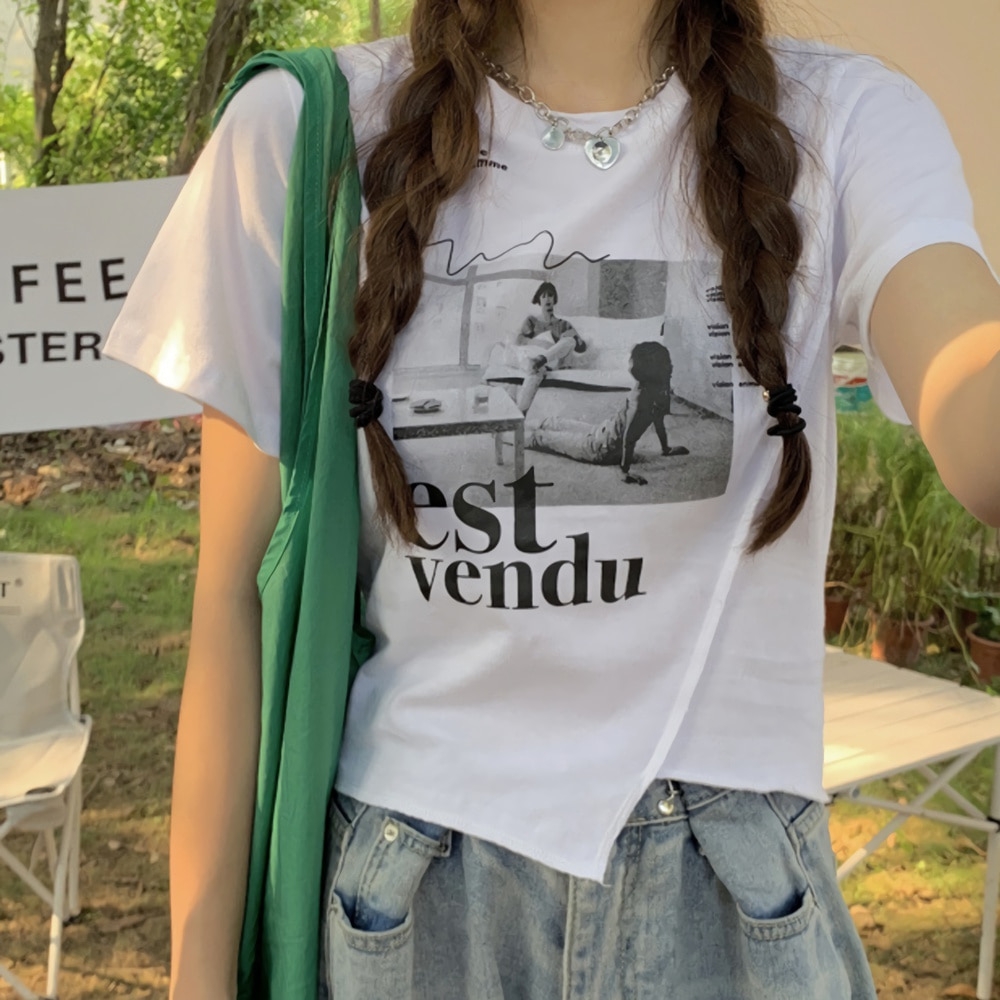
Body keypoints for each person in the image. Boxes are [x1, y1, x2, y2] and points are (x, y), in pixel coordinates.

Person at [104, 1, 1000, 998]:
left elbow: (972, 396)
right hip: (410, 906)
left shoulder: (844, 123)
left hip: (731, 898)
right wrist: (197, 974)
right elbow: (234, 592)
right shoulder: (300, 130)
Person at [526, 340, 689, 483]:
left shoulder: (650, 394)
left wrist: (665, 449)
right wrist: (626, 471)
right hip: (599, 439)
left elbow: (654, 424)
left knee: (542, 437)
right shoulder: (642, 396)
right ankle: (520, 424)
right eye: (667, 364)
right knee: (553, 424)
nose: (671, 366)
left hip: (601, 446)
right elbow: (632, 437)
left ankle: (513, 434)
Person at [506, 280, 587, 412]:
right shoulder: (532, 320)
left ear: (555, 299)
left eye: (550, 295)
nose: (547, 299)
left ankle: (540, 360)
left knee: (569, 341)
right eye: (543, 296)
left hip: (551, 361)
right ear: (539, 300)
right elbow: (519, 340)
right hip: (533, 359)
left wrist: (576, 337)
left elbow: (581, 348)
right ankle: (520, 414)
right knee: (535, 373)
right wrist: (539, 343)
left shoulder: (563, 324)